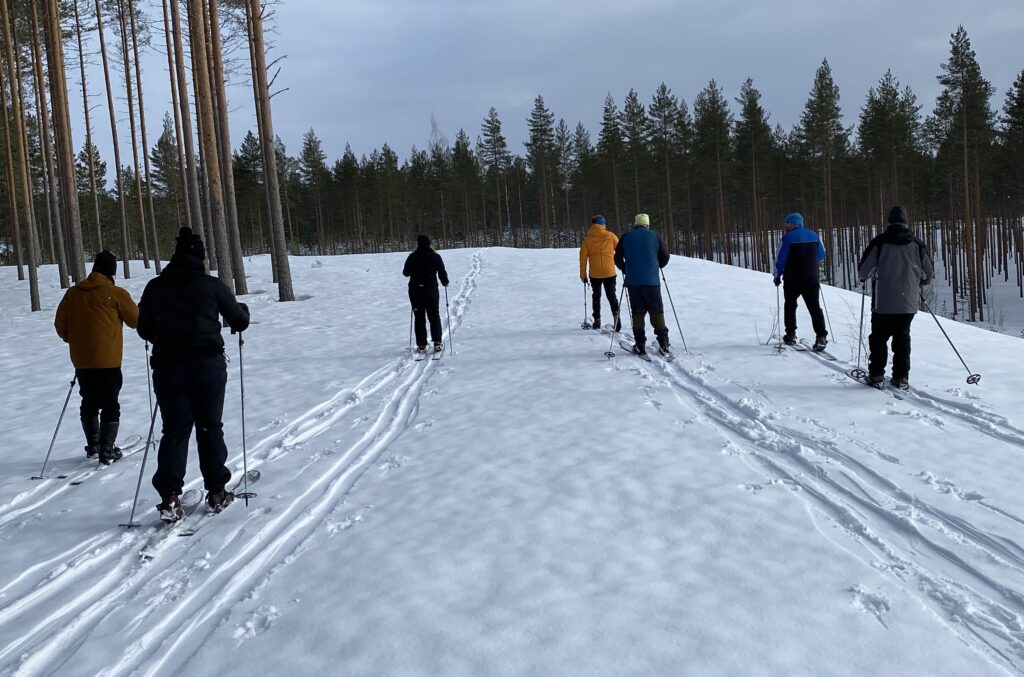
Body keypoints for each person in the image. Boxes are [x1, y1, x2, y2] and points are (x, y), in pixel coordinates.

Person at [137, 228, 250, 520]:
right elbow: (239, 320)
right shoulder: (211, 285)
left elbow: (144, 329)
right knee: (209, 427)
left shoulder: (155, 286)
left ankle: (170, 496)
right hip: (207, 366)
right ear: (200, 257)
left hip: (168, 367)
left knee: (175, 430)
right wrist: (242, 312)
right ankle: (216, 491)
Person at [54, 250, 139, 464]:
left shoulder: (73, 293)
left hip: (82, 360)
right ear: (112, 271)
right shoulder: (116, 293)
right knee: (110, 403)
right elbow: (135, 320)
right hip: (108, 359)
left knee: (89, 401)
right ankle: (106, 450)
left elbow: (60, 324)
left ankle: (93, 445)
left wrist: (75, 341)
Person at [857, 206, 934, 389]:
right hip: (907, 303)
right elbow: (929, 274)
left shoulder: (880, 242)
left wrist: (865, 277)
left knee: (879, 339)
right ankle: (900, 377)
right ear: (906, 222)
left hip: (882, 302)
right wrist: (917, 284)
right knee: (902, 338)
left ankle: (876, 375)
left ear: (889, 222)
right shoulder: (917, 244)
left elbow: (863, 271)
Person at [614, 213, 670, 356]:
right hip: (652, 282)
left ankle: (640, 345)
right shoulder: (654, 236)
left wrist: (626, 269)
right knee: (656, 311)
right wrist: (656, 266)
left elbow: (617, 257)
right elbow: (665, 256)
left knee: (638, 313)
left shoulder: (626, 236)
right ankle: (664, 344)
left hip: (633, 283)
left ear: (635, 224)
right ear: (647, 224)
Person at [773, 212, 828, 351]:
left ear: (793, 223)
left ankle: (790, 334)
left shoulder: (787, 238)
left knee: (790, 306)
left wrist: (777, 275)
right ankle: (821, 336)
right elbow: (821, 254)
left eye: (787, 223)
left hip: (793, 279)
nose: (785, 225)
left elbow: (780, 258)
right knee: (815, 308)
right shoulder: (815, 236)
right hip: (811, 278)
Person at [403, 234, 449, 354]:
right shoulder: (435, 256)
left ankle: (422, 345)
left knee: (419, 317)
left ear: (418, 244)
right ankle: (437, 343)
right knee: (434, 316)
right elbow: (442, 273)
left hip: (415, 290)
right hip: (431, 290)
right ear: (429, 243)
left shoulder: (412, 257)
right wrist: (445, 282)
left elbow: (405, 273)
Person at [579, 215, 621, 331]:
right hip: (609, 272)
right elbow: (620, 250)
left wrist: (583, 275)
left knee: (596, 296)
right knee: (611, 295)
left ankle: (597, 321)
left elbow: (583, 258)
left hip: (595, 273)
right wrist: (622, 265)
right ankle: (617, 319)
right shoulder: (610, 235)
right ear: (602, 224)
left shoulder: (587, 239)